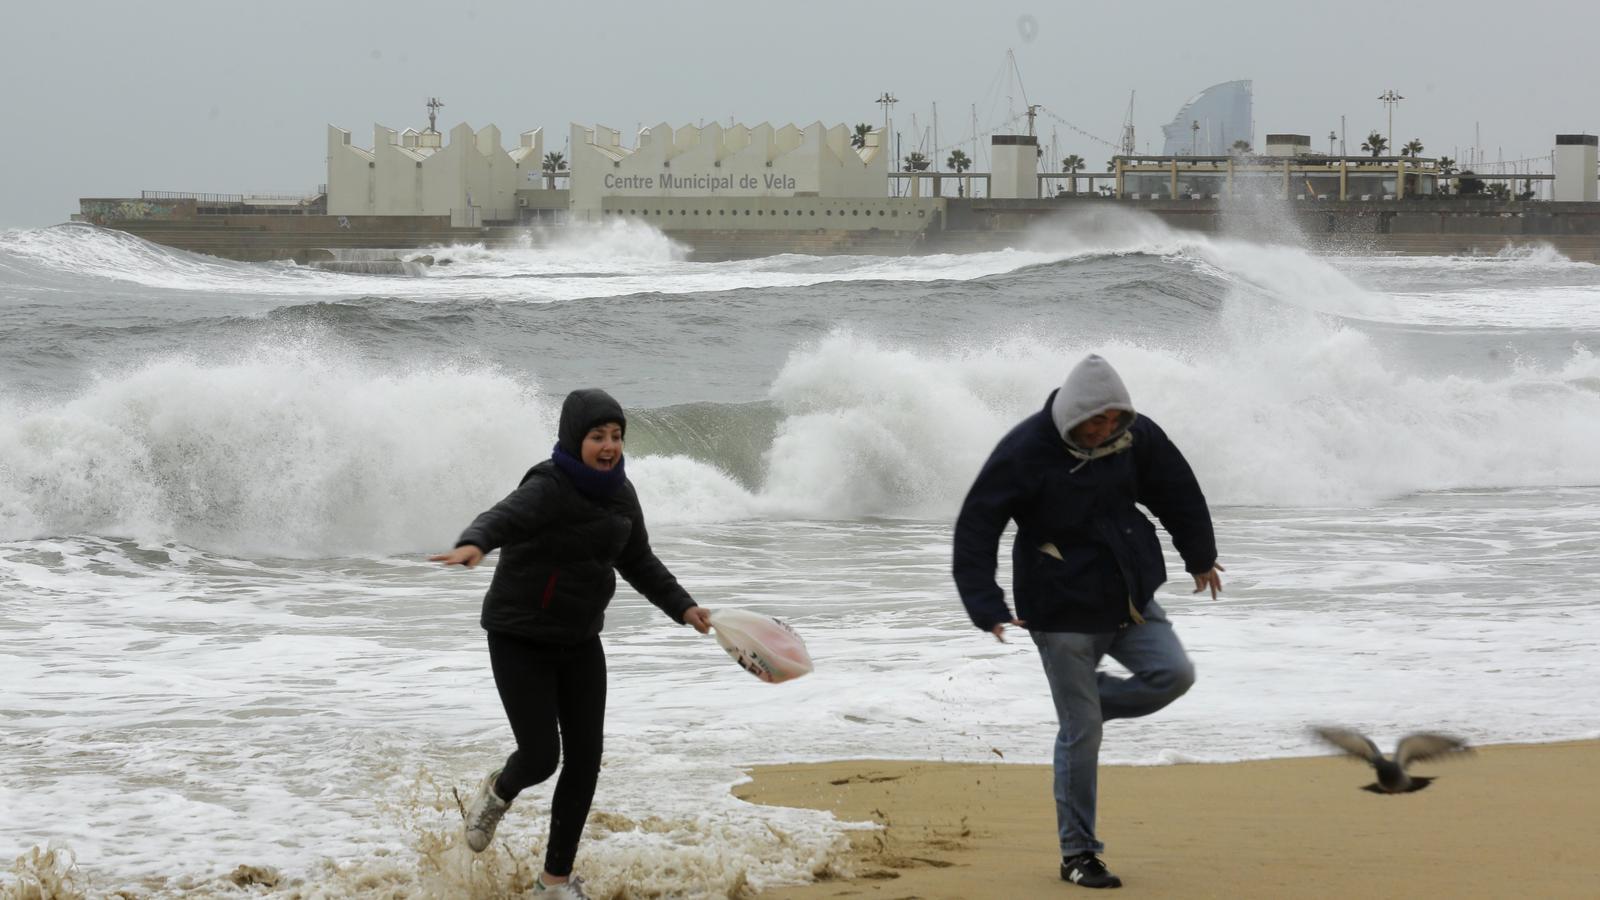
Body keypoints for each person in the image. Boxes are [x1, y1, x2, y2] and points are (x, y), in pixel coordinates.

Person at [952, 354, 1223, 890]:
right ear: (1070, 416)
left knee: (1174, 675)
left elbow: (1176, 490)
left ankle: (1087, 712)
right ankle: (1079, 854)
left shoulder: (1135, 437)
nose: (1103, 431)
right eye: (1093, 422)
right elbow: (978, 525)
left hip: (1129, 597)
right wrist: (985, 603)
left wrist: (1200, 556)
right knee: (1083, 735)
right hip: (1060, 611)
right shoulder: (1026, 450)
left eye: (1113, 420)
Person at [431, 388, 712, 898]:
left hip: (580, 640)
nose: (609, 446)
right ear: (573, 438)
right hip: (519, 636)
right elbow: (504, 516)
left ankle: (553, 882)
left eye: (616, 436)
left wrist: (683, 607)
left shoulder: (621, 494)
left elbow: (639, 560)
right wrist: (474, 543)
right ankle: (497, 791)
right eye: (597, 436)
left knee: (585, 760)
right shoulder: (548, 484)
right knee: (541, 757)